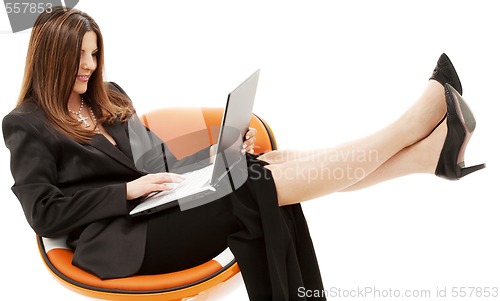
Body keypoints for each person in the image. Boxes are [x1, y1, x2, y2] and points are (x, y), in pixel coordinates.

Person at [2, 7, 484, 301]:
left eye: (93, 54)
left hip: (161, 211)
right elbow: (43, 213)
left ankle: (427, 155)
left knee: (268, 163)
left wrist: (219, 152)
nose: (90, 66)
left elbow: (159, 167)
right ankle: (414, 131)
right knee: (253, 185)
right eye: (80, 56)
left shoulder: (109, 98)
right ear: (52, 57)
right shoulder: (26, 123)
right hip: (121, 244)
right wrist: (126, 190)